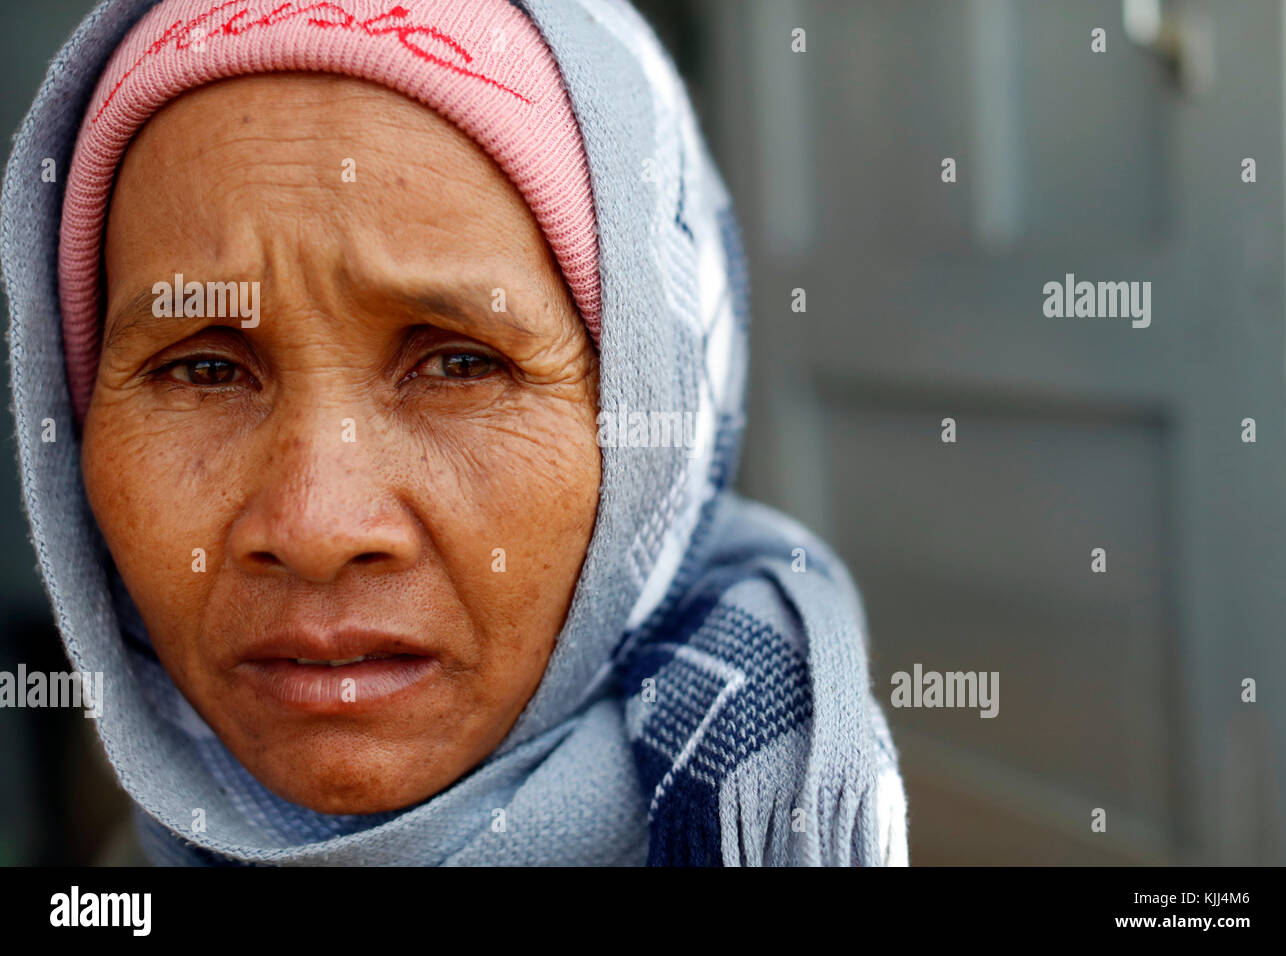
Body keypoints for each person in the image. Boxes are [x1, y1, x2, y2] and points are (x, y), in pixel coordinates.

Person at [1, 0, 907, 866]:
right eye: (203, 369)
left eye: (460, 364)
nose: (318, 530)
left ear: (656, 429)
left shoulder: (784, 828)